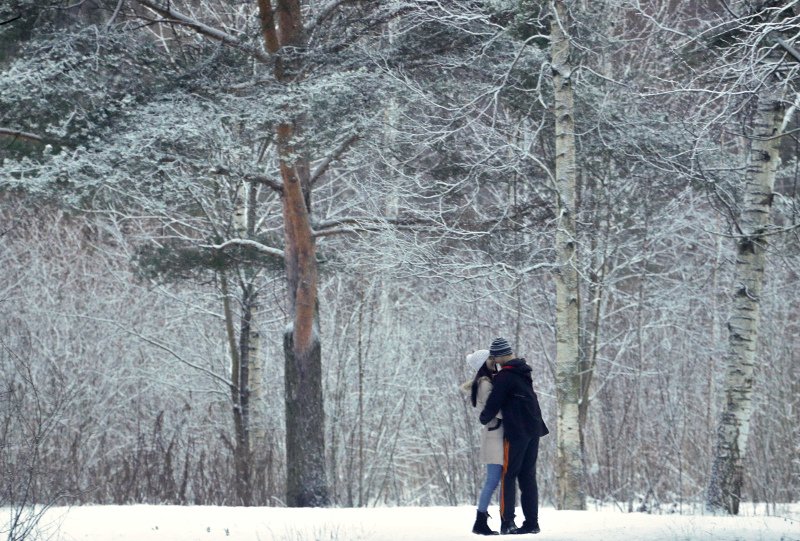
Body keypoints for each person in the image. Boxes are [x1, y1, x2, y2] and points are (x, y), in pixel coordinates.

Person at [479, 337, 549, 535]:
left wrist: (484, 419)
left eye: (494, 357)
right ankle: (532, 523)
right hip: (533, 429)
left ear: (499, 356)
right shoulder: (522, 371)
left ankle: (507, 522)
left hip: (517, 431)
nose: (494, 361)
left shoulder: (504, 376)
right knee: (528, 477)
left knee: (508, 475)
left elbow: (493, 403)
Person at [462, 349, 504, 536]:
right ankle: (481, 520)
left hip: (494, 434)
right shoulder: (485, 384)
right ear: (484, 363)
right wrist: (511, 415)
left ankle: (483, 520)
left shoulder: (486, 381)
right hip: (494, 435)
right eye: (490, 358)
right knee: (493, 480)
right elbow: (492, 408)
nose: (494, 360)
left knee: (496, 480)